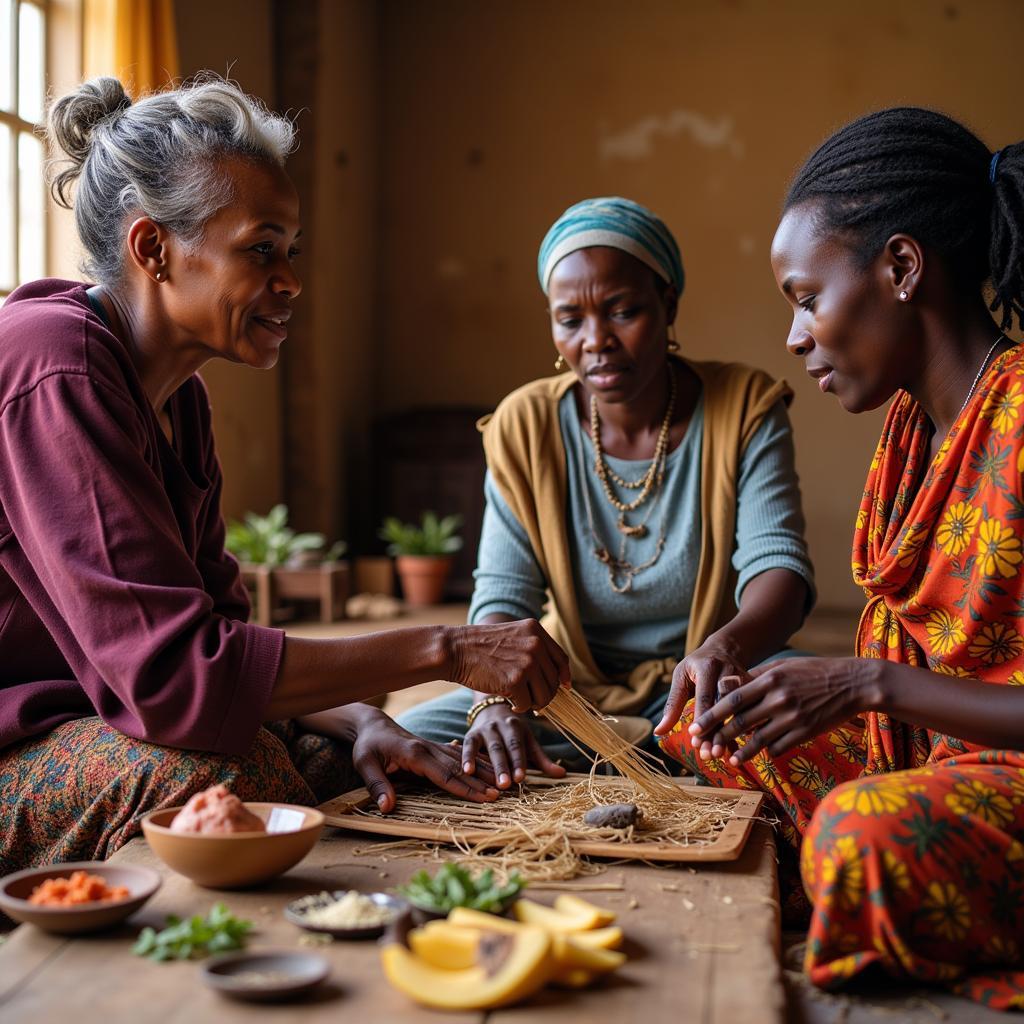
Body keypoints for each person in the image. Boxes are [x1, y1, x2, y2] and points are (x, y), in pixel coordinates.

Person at [0, 76, 568, 873]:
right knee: (229, 785)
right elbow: (176, 681)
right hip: (16, 746)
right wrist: (448, 647)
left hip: (96, 713)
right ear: (153, 248)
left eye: (291, 251)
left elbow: (226, 644)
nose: (291, 279)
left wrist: (358, 719)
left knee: (373, 764)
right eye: (260, 249)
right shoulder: (54, 364)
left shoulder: (178, 402)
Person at [659, 108, 1024, 1010]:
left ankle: (837, 880)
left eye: (806, 296)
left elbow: (884, 682)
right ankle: (836, 882)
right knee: (710, 726)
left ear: (902, 268)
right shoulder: (913, 427)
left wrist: (865, 684)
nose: (794, 336)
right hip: (930, 756)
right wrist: (732, 655)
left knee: (859, 837)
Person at [398, 197, 815, 787]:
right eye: (570, 320)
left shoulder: (744, 406)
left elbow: (780, 569)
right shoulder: (525, 425)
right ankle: (622, 756)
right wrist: (493, 702)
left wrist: (724, 649)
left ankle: (647, 754)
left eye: (623, 311)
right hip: (561, 693)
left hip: (713, 680)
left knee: (821, 734)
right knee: (412, 741)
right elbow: (503, 592)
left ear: (668, 305)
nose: (597, 340)